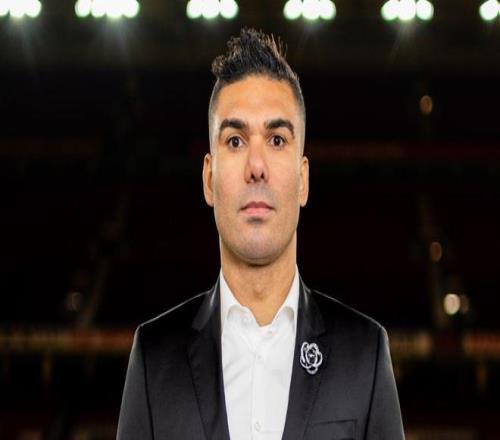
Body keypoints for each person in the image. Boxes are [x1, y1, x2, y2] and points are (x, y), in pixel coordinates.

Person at [117, 27, 405, 440]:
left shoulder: (365, 353)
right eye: (235, 141)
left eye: (276, 139)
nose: (256, 166)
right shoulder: (154, 356)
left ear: (303, 180)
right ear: (208, 178)